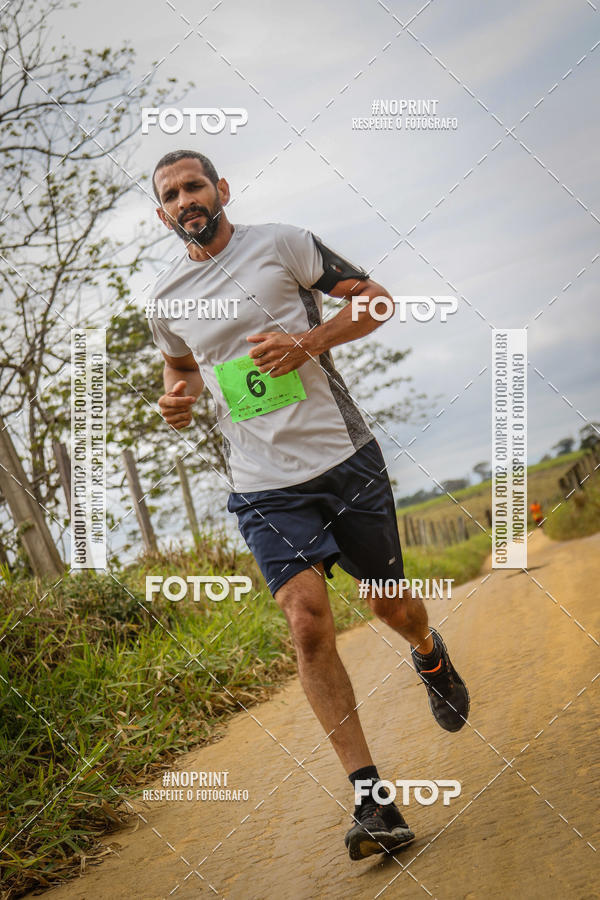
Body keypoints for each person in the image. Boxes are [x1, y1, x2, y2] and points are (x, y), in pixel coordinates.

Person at [148, 150, 469, 860]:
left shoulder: (283, 244)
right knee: (307, 622)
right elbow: (181, 368)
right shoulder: (165, 297)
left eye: (194, 185)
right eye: (170, 194)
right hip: (260, 483)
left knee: (391, 606)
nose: (185, 200)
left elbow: (376, 298)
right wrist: (179, 399)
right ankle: (371, 799)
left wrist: (308, 342)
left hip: (343, 459)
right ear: (161, 213)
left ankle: (427, 651)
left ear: (220, 189)